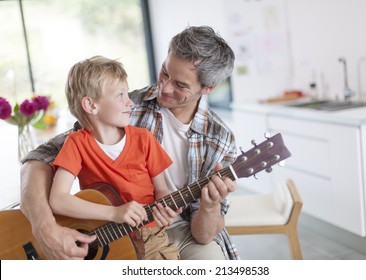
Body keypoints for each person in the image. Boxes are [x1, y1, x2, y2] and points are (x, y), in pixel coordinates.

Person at [20, 25, 239, 260]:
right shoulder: (122, 108)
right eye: (164, 72)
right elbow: (38, 159)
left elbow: (203, 234)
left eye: (180, 85)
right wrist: (44, 227)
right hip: (113, 232)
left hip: (185, 233)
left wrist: (210, 205)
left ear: (207, 88)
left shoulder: (220, 139)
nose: (164, 88)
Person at [48, 55, 179, 260]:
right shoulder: (76, 143)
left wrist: (165, 208)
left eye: (127, 93)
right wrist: (114, 213)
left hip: (150, 238)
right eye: (120, 95)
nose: (130, 102)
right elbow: (58, 200)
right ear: (91, 105)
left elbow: (162, 189)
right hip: (107, 240)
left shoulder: (143, 139)